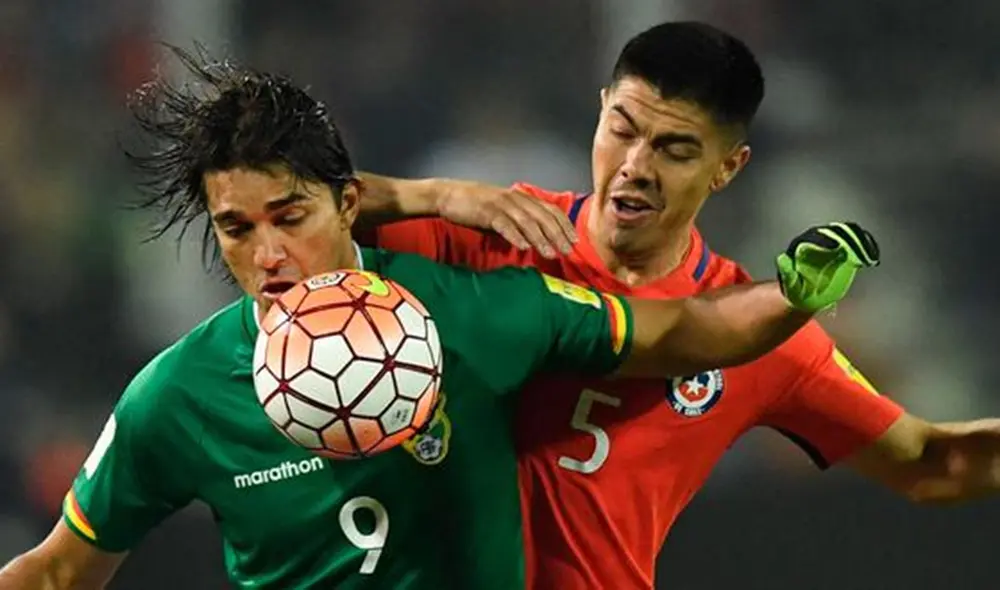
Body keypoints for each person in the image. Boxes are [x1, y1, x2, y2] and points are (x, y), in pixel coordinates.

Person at [0, 47, 878, 590]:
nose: (267, 252)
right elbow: (55, 574)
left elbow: (683, 335)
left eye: (289, 216)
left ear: (349, 205)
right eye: (236, 228)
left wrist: (791, 296)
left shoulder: (469, 312)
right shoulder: (179, 393)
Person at [358, 21, 1000, 590]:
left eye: (675, 149)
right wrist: (436, 195)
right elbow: (289, 206)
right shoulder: (494, 231)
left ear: (727, 167)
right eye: (623, 130)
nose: (636, 165)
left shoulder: (755, 326)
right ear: (601, 111)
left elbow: (934, 465)